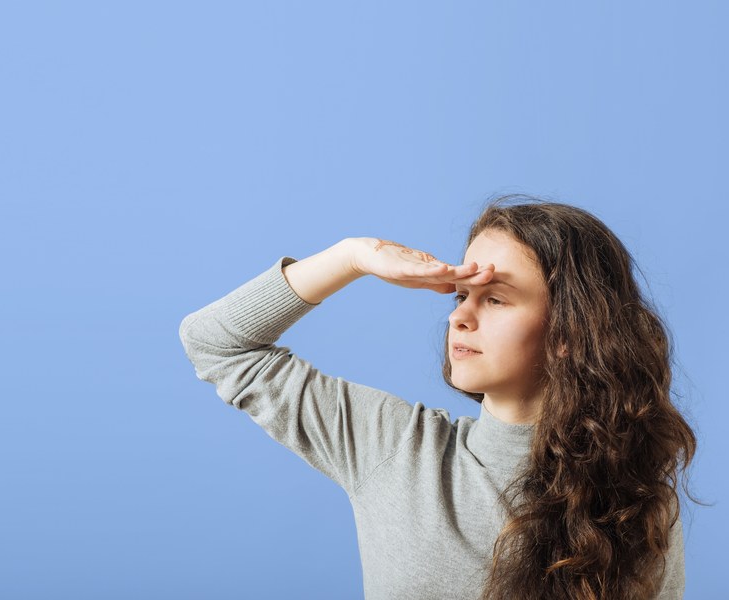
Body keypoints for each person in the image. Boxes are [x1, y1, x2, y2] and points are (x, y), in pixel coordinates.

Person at [178, 194, 699, 600]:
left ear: (570, 332)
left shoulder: (638, 500)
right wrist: (353, 256)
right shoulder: (392, 445)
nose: (459, 316)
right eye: (460, 295)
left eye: (494, 299)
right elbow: (216, 342)